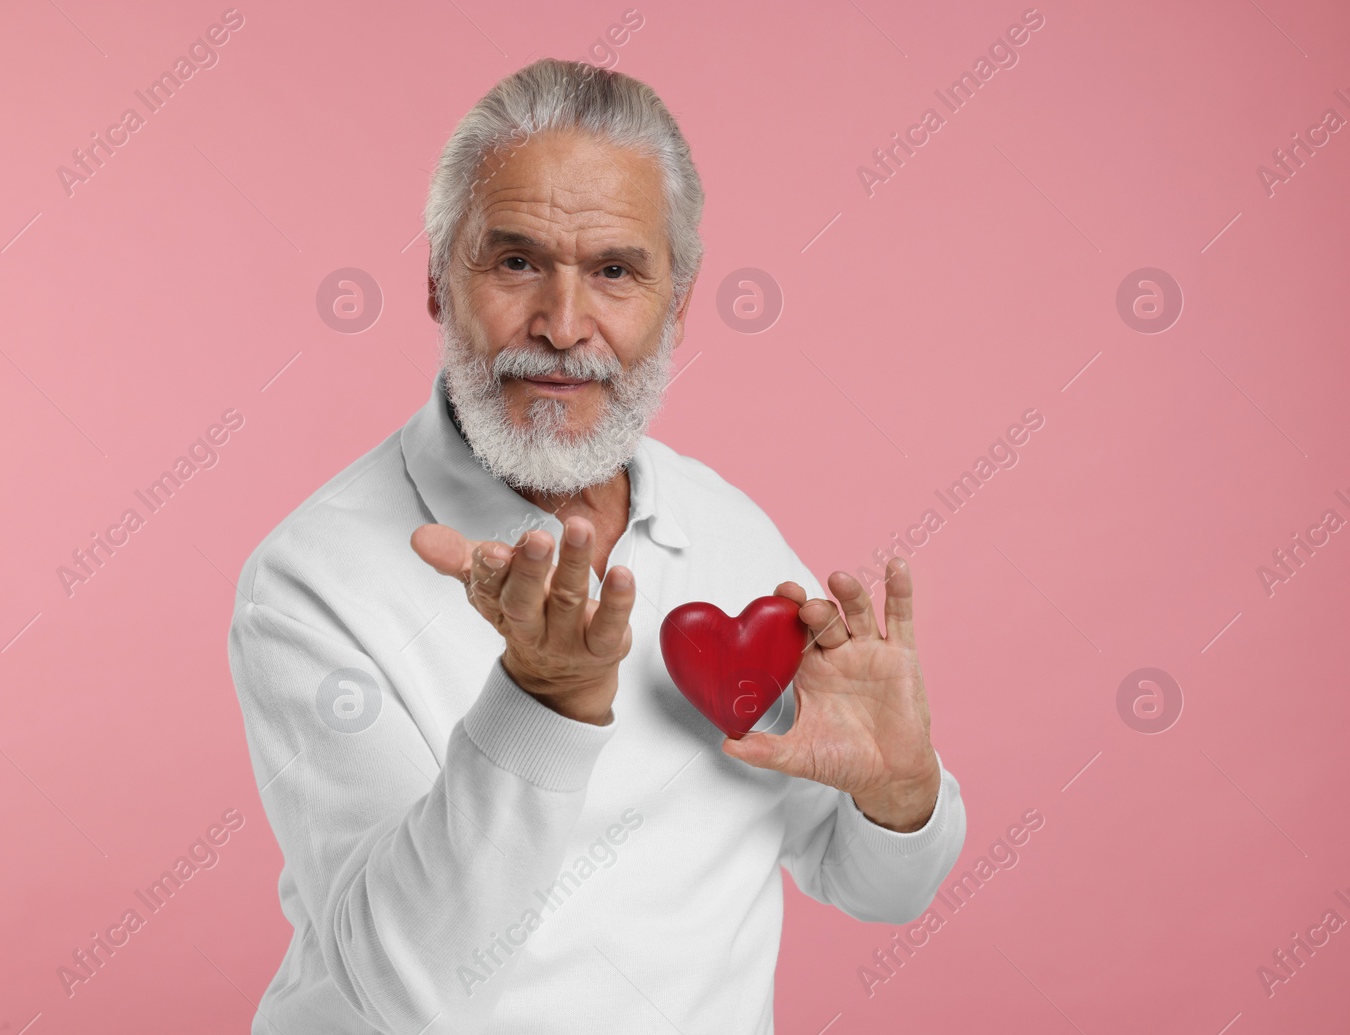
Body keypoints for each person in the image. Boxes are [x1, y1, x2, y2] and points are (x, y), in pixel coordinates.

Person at [227, 57, 966, 1034]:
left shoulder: (731, 531)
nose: (564, 326)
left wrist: (900, 795)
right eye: (517, 262)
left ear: (679, 298)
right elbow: (403, 988)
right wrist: (543, 703)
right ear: (439, 282)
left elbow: (865, 882)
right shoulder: (309, 578)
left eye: (614, 271)